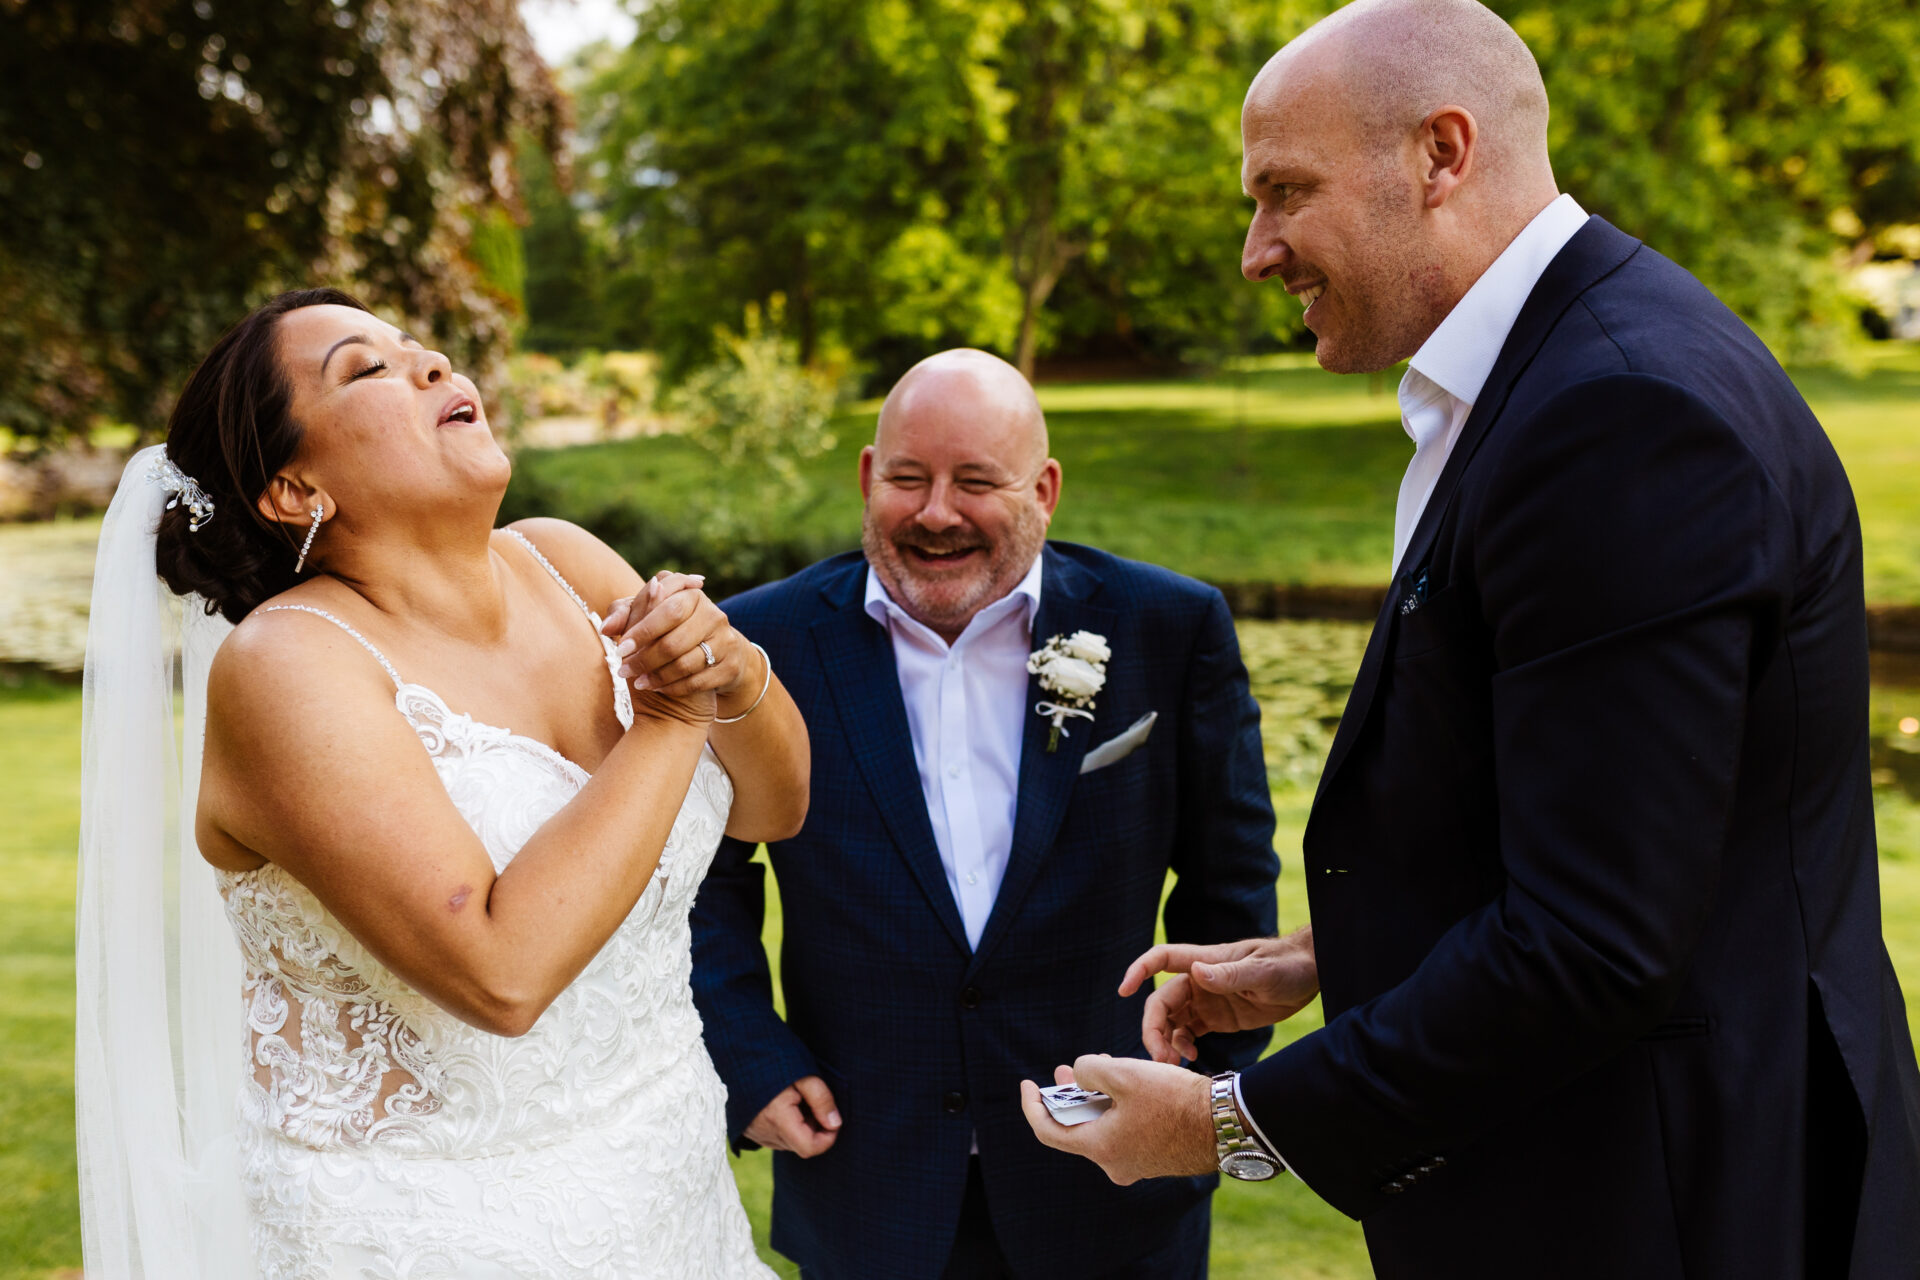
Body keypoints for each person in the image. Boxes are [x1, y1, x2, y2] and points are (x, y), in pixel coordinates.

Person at [1018, 3, 1920, 1277]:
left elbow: (1595, 941)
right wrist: (1338, 953)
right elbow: (1615, 832)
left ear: (1441, 153)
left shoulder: (1618, 413)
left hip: (1675, 1203)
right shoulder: (1553, 373)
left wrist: (1232, 1122)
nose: (1256, 252)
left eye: (1286, 192)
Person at [75, 287, 809, 1278]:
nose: (432, 365)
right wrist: (674, 718)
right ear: (294, 489)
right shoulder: (287, 665)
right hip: (438, 1232)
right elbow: (501, 974)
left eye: (419, 347)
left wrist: (730, 665)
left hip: (668, 1190)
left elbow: (777, 806)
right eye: (366, 368)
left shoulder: (565, 561)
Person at [689, 349, 1280, 1278]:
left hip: (1112, 1184)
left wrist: (1201, 1080)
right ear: (866, 477)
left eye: (975, 482)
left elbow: (1232, 879)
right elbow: (700, 881)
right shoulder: (765, 643)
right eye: (908, 478)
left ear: (1044, 490)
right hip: (866, 1174)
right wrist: (748, 1056)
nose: (936, 513)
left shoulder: (1168, 626)